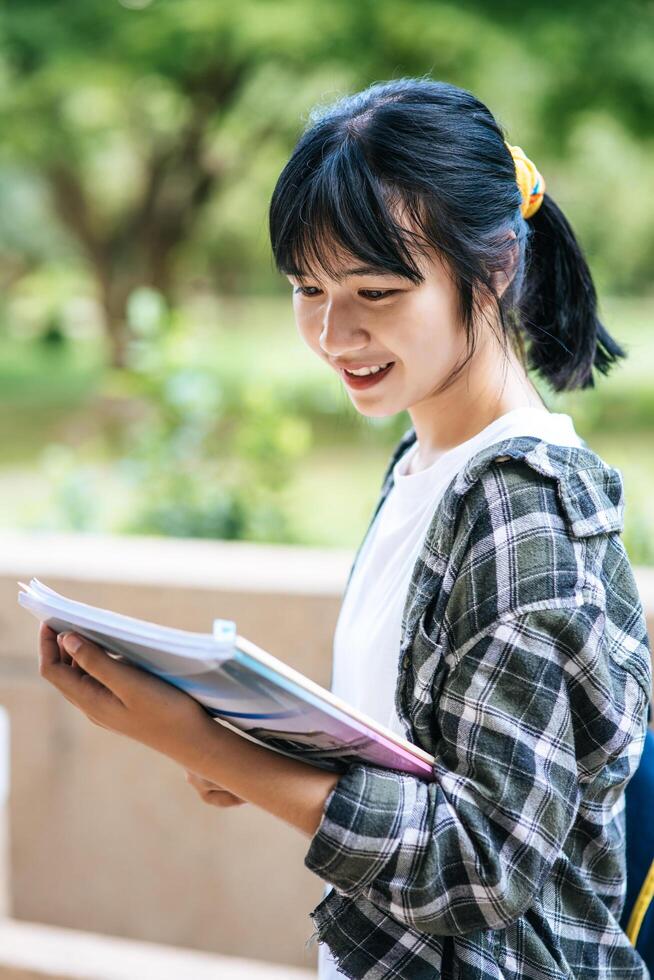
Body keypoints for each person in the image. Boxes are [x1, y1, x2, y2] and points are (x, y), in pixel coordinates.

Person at [38, 76, 652, 979]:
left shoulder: (523, 507)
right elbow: (415, 759)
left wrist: (197, 742)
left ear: (494, 270)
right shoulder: (420, 465)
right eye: (306, 287)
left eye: (374, 289)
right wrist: (247, 747)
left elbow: (483, 868)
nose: (333, 333)